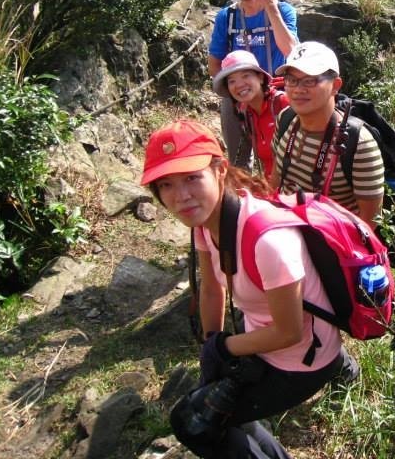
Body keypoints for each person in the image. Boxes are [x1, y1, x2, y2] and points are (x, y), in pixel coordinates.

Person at [140, 119, 343, 459]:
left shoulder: (268, 240)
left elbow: (289, 331)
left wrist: (225, 347)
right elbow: (211, 290)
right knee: (221, 409)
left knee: (193, 423)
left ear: (219, 170)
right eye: (166, 185)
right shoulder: (206, 222)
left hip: (302, 360)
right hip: (262, 340)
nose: (182, 196)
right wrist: (211, 349)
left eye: (192, 177)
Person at [270, 42, 385, 229]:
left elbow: (369, 223)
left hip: (332, 246)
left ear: (335, 86)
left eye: (310, 80)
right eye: (291, 80)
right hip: (282, 231)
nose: (298, 89)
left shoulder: (358, 144)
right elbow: (275, 178)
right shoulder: (286, 118)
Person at [208, 0, 298, 168]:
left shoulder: (284, 10)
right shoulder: (227, 17)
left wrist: (271, 9)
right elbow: (214, 64)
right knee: (238, 161)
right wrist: (236, 90)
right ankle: (244, 197)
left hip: (279, 92)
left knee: (285, 158)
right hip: (239, 95)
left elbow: (291, 51)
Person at [212, 50, 290, 177]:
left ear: (260, 77)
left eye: (246, 76)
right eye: (232, 81)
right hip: (273, 189)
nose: (239, 85)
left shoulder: (283, 104)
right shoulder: (247, 114)